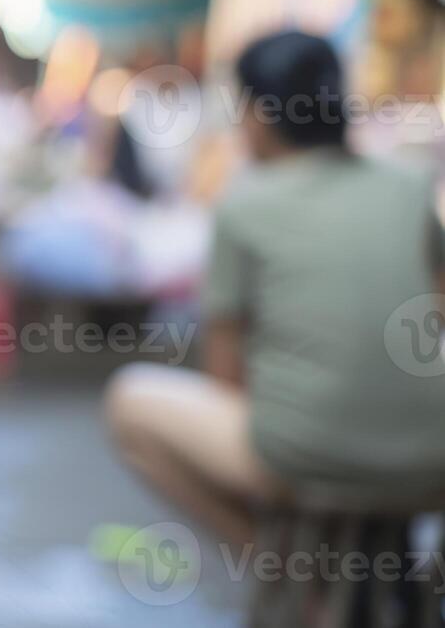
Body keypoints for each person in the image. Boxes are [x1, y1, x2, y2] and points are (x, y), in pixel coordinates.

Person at [106, 29, 445, 547]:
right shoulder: (412, 185)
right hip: (431, 460)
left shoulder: (244, 205)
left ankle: (276, 560)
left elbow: (226, 381)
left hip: (302, 463)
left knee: (128, 402)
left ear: (260, 115)